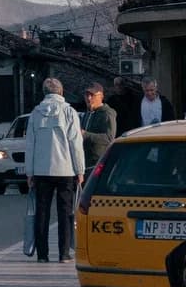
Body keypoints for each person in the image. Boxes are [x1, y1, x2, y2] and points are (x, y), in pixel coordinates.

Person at [25, 78, 85, 263]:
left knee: (42, 212)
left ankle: (42, 255)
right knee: (65, 212)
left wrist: (29, 172)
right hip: (65, 169)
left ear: (44, 92)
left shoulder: (35, 113)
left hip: (42, 170)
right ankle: (64, 253)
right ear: (61, 91)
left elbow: (30, 144)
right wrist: (80, 169)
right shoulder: (69, 111)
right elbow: (76, 142)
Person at [81, 84, 118, 173]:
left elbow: (109, 138)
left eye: (92, 95)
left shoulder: (107, 113)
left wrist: (85, 134)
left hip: (98, 164)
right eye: (87, 95)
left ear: (101, 96)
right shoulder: (87, 113)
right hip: (85, 163)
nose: (89, 98)